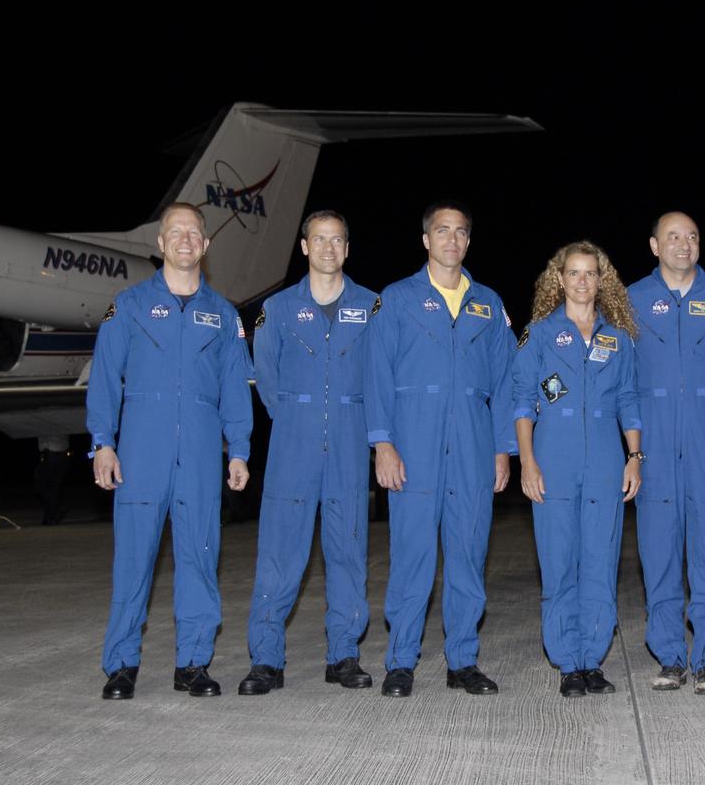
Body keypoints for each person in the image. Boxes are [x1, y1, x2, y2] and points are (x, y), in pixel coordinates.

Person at [88, 202, 253, 701]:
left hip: (201, 458)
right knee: (134, 563)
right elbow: (104, 379)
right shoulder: (130, 305)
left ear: (205, 245)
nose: (185, 240)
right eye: (175, 232)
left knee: (200, 559)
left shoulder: (223, 315)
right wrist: (103, 443)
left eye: (194, 233)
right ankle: (121, 666)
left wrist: (239, 450)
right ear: (159, 243)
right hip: (140, 455)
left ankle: (193, 664)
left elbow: (236, 389)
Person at [364, 201, 516, 698]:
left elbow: (506, 382)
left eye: (461, 232)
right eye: (442, 230)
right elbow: (377, 376)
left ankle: (463, 661)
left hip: (472, 445)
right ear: (426, 240)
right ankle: (401, 661)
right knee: (412, 555)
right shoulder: (397, 299)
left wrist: (502, 450)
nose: (452, 239)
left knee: (469, 555)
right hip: (414, 441)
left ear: (469, 242)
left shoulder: (488, 304)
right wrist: (382, 444)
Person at [237, 210, 379, 695]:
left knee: (347, 551)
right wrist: (299, 416)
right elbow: (267, 379)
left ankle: (343, 654)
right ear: (304, 247)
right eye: (319, 239)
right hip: (293, 443)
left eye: (337, 240)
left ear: (347, 248)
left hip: (349, 443)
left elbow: (380, 377)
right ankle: (266, 660)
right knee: (279, 553)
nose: (327, 248)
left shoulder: (372, 306)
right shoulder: (277, 309)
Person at [513, 240, 642, 698]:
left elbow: (629, 400)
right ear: (559, 279)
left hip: (607, 458)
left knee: (600, 562)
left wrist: (634, 457)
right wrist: (527, 461)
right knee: (559, 559)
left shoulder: (618, 337)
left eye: (591, 273)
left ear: (601, 280)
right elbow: (524, 400)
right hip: (554, 454)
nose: (582, 281)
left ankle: (593, 658)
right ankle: (568, 661)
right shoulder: (540, 334)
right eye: (574, 273)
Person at [626, 212, 705, 694]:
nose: (683, 244)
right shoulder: (630, 300)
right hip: (652, 442)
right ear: (654, 245)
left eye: (692, 236)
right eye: (673, 237)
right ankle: (670, 655)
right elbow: (616, 374)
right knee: (659, 554)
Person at [35, 434, 70, 525]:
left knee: (43, 485)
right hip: (62, 452)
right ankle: (50, 516)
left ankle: (55, 510)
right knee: (53, 486)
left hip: (50, 453)